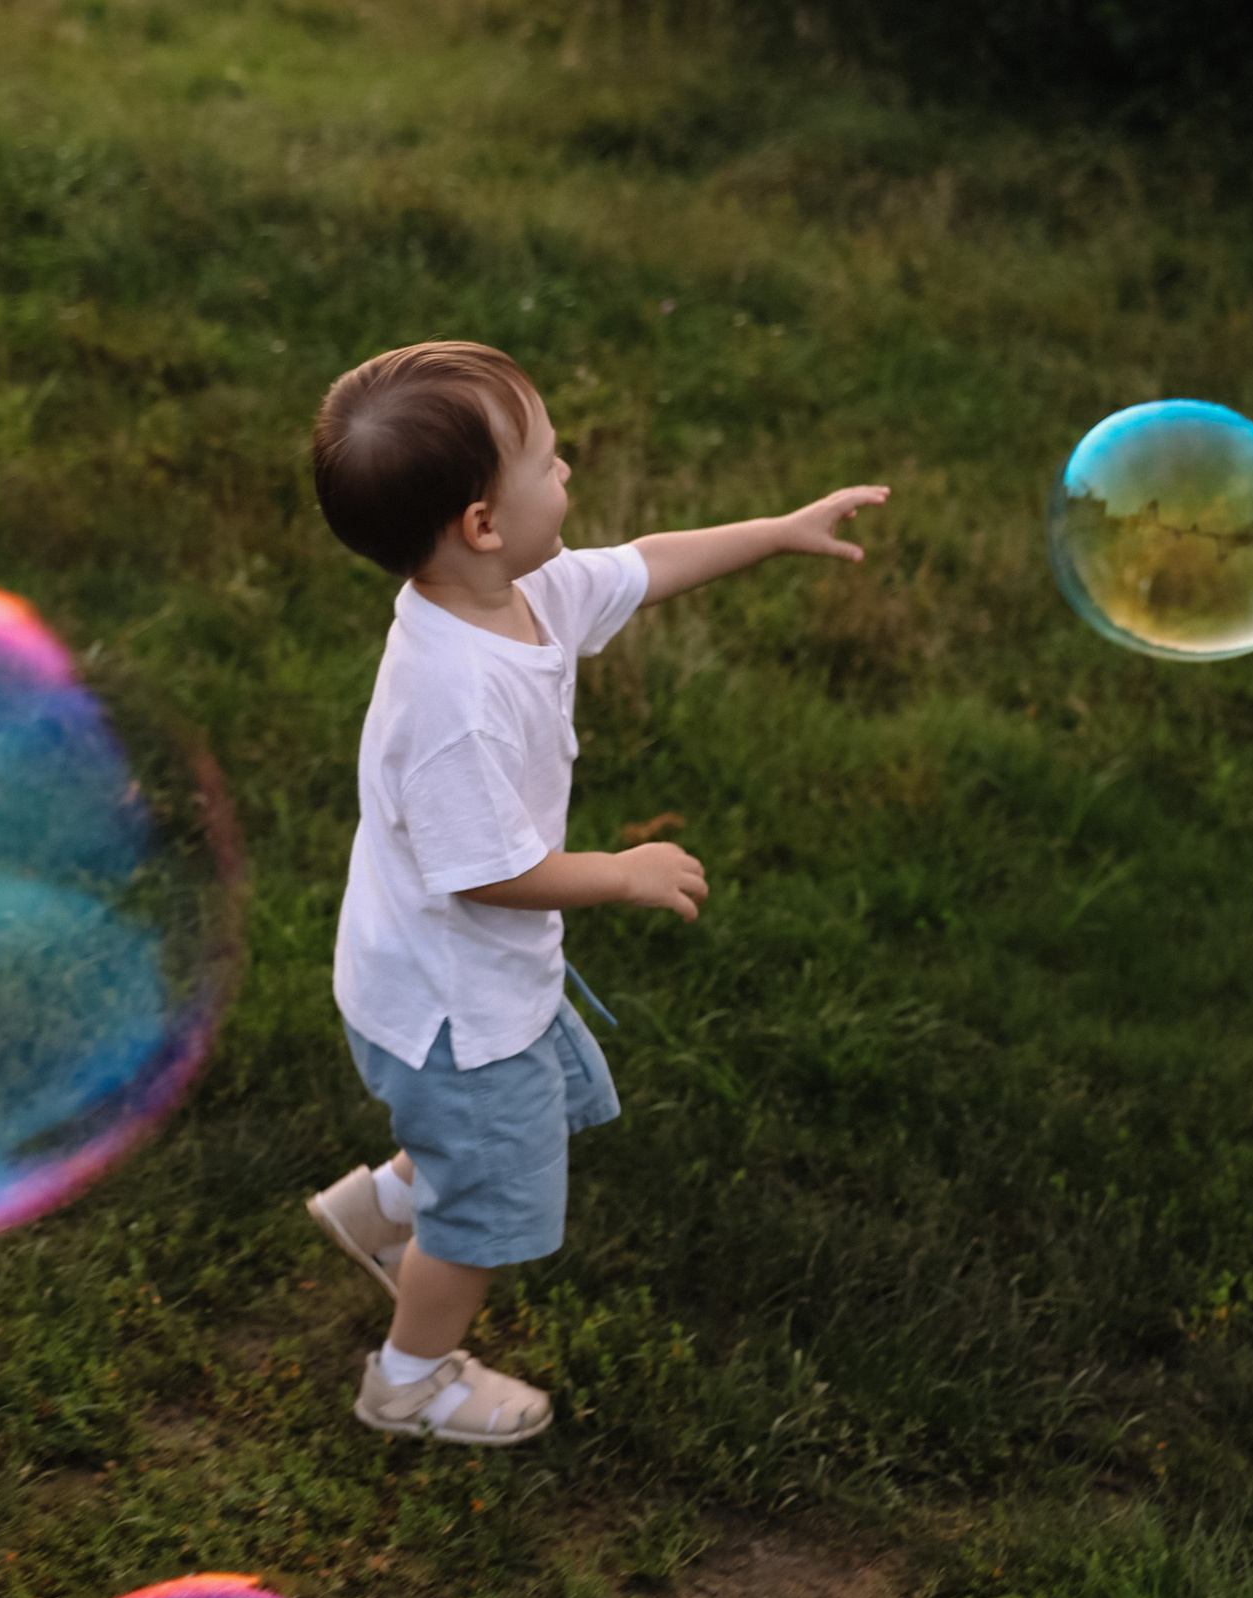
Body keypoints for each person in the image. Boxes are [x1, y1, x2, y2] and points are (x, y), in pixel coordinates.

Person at [301, 340, 887, 1443]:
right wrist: (622, 871)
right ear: (481, 522)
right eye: (550, 461)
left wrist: (776, 530)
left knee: (463, 1138)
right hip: (451, 1009)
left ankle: (377, 1207)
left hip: (426, 978)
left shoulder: (516, 590)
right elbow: (493, 871)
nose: (569, 474)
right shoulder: (455, 698)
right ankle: (410, 1377)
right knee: (482, 1208)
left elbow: (646, 561)